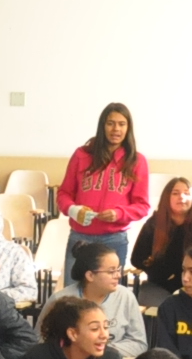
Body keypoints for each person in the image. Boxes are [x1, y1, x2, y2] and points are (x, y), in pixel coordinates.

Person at [57, 102, 149, 285]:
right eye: (110, 123)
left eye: (122, 124)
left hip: (114, 240)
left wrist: (119, 214)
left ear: (128, 128)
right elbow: (63, 194)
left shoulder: (137, 161)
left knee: (108, 297)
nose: (116, 129)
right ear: (102, 126)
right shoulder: (81, 155)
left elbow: (142, 206)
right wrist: (74, 210)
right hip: (80, 238)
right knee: (74, 296)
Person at [44, 241, 149, 359]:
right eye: (111, 271)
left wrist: (98, 349)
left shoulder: (126, 297)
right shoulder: (60, 300)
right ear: (90, 276)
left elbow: (139, 344)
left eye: (118, 270)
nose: (118, 275)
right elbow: (41, 340)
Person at [129, 176, 192, 305]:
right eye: (175, 193)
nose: (182, 197)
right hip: (159, 285)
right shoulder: (153, 224)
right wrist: (159, 274)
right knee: (156, 311)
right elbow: (137, 258)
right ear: (166, 198)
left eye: (187, 193)